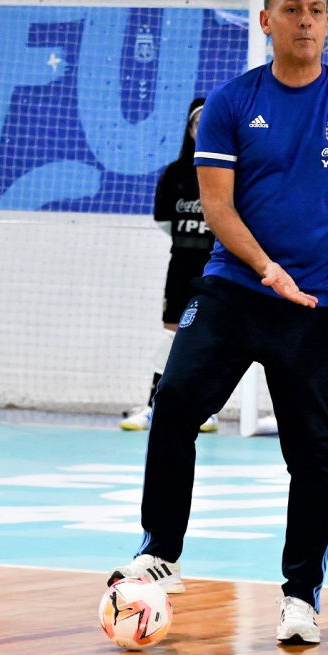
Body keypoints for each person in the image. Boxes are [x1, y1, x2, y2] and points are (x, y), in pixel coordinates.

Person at [108, 0, 328, 646]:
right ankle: (161, 552)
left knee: (314, 454)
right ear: (266, 21)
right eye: (291, 8)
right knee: (174, 401)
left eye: (317, 11)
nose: (305, 20)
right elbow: (217, 206)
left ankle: (301, 597)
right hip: (237, 289)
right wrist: (267, 269)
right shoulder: (235, 102)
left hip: (320, 306)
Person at [120, 98, 218, 433]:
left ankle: (207, 409)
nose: (203, 129)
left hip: (217, 270)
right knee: (173, 337)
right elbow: (163, 220)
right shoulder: (175, 174)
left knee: (213, 337)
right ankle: (154, 405)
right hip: (180, 269)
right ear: (189, 130)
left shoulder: (229, 173)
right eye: (197, 123)